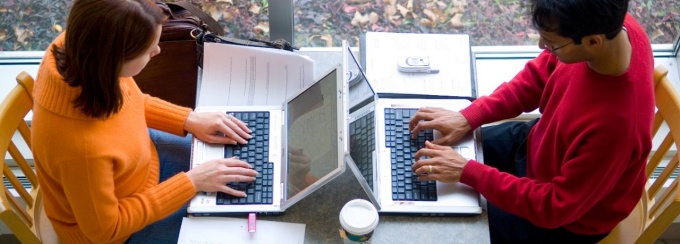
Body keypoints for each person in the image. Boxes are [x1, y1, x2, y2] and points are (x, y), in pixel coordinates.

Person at [408, 0, 653, 243]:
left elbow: (554, 207)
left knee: (445, 227)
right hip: (539, 144)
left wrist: (467, 171)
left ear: (592, 41)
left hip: (564, 220)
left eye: (552, 43)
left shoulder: (616, 129)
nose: (542, 46)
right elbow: (540, 74)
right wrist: (468, 117)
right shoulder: (610, 25)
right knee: (431, 148)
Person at [31, 0, 258, 243]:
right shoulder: (83, 151)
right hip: (122, 230)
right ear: (112, 60)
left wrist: (188, 119)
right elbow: (105, 230)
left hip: (140, 164)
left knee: (244, 164)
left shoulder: (77, 48)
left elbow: (130, 101)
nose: (157, 51)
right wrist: (192, 182)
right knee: (241, 226)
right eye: (149, 50)